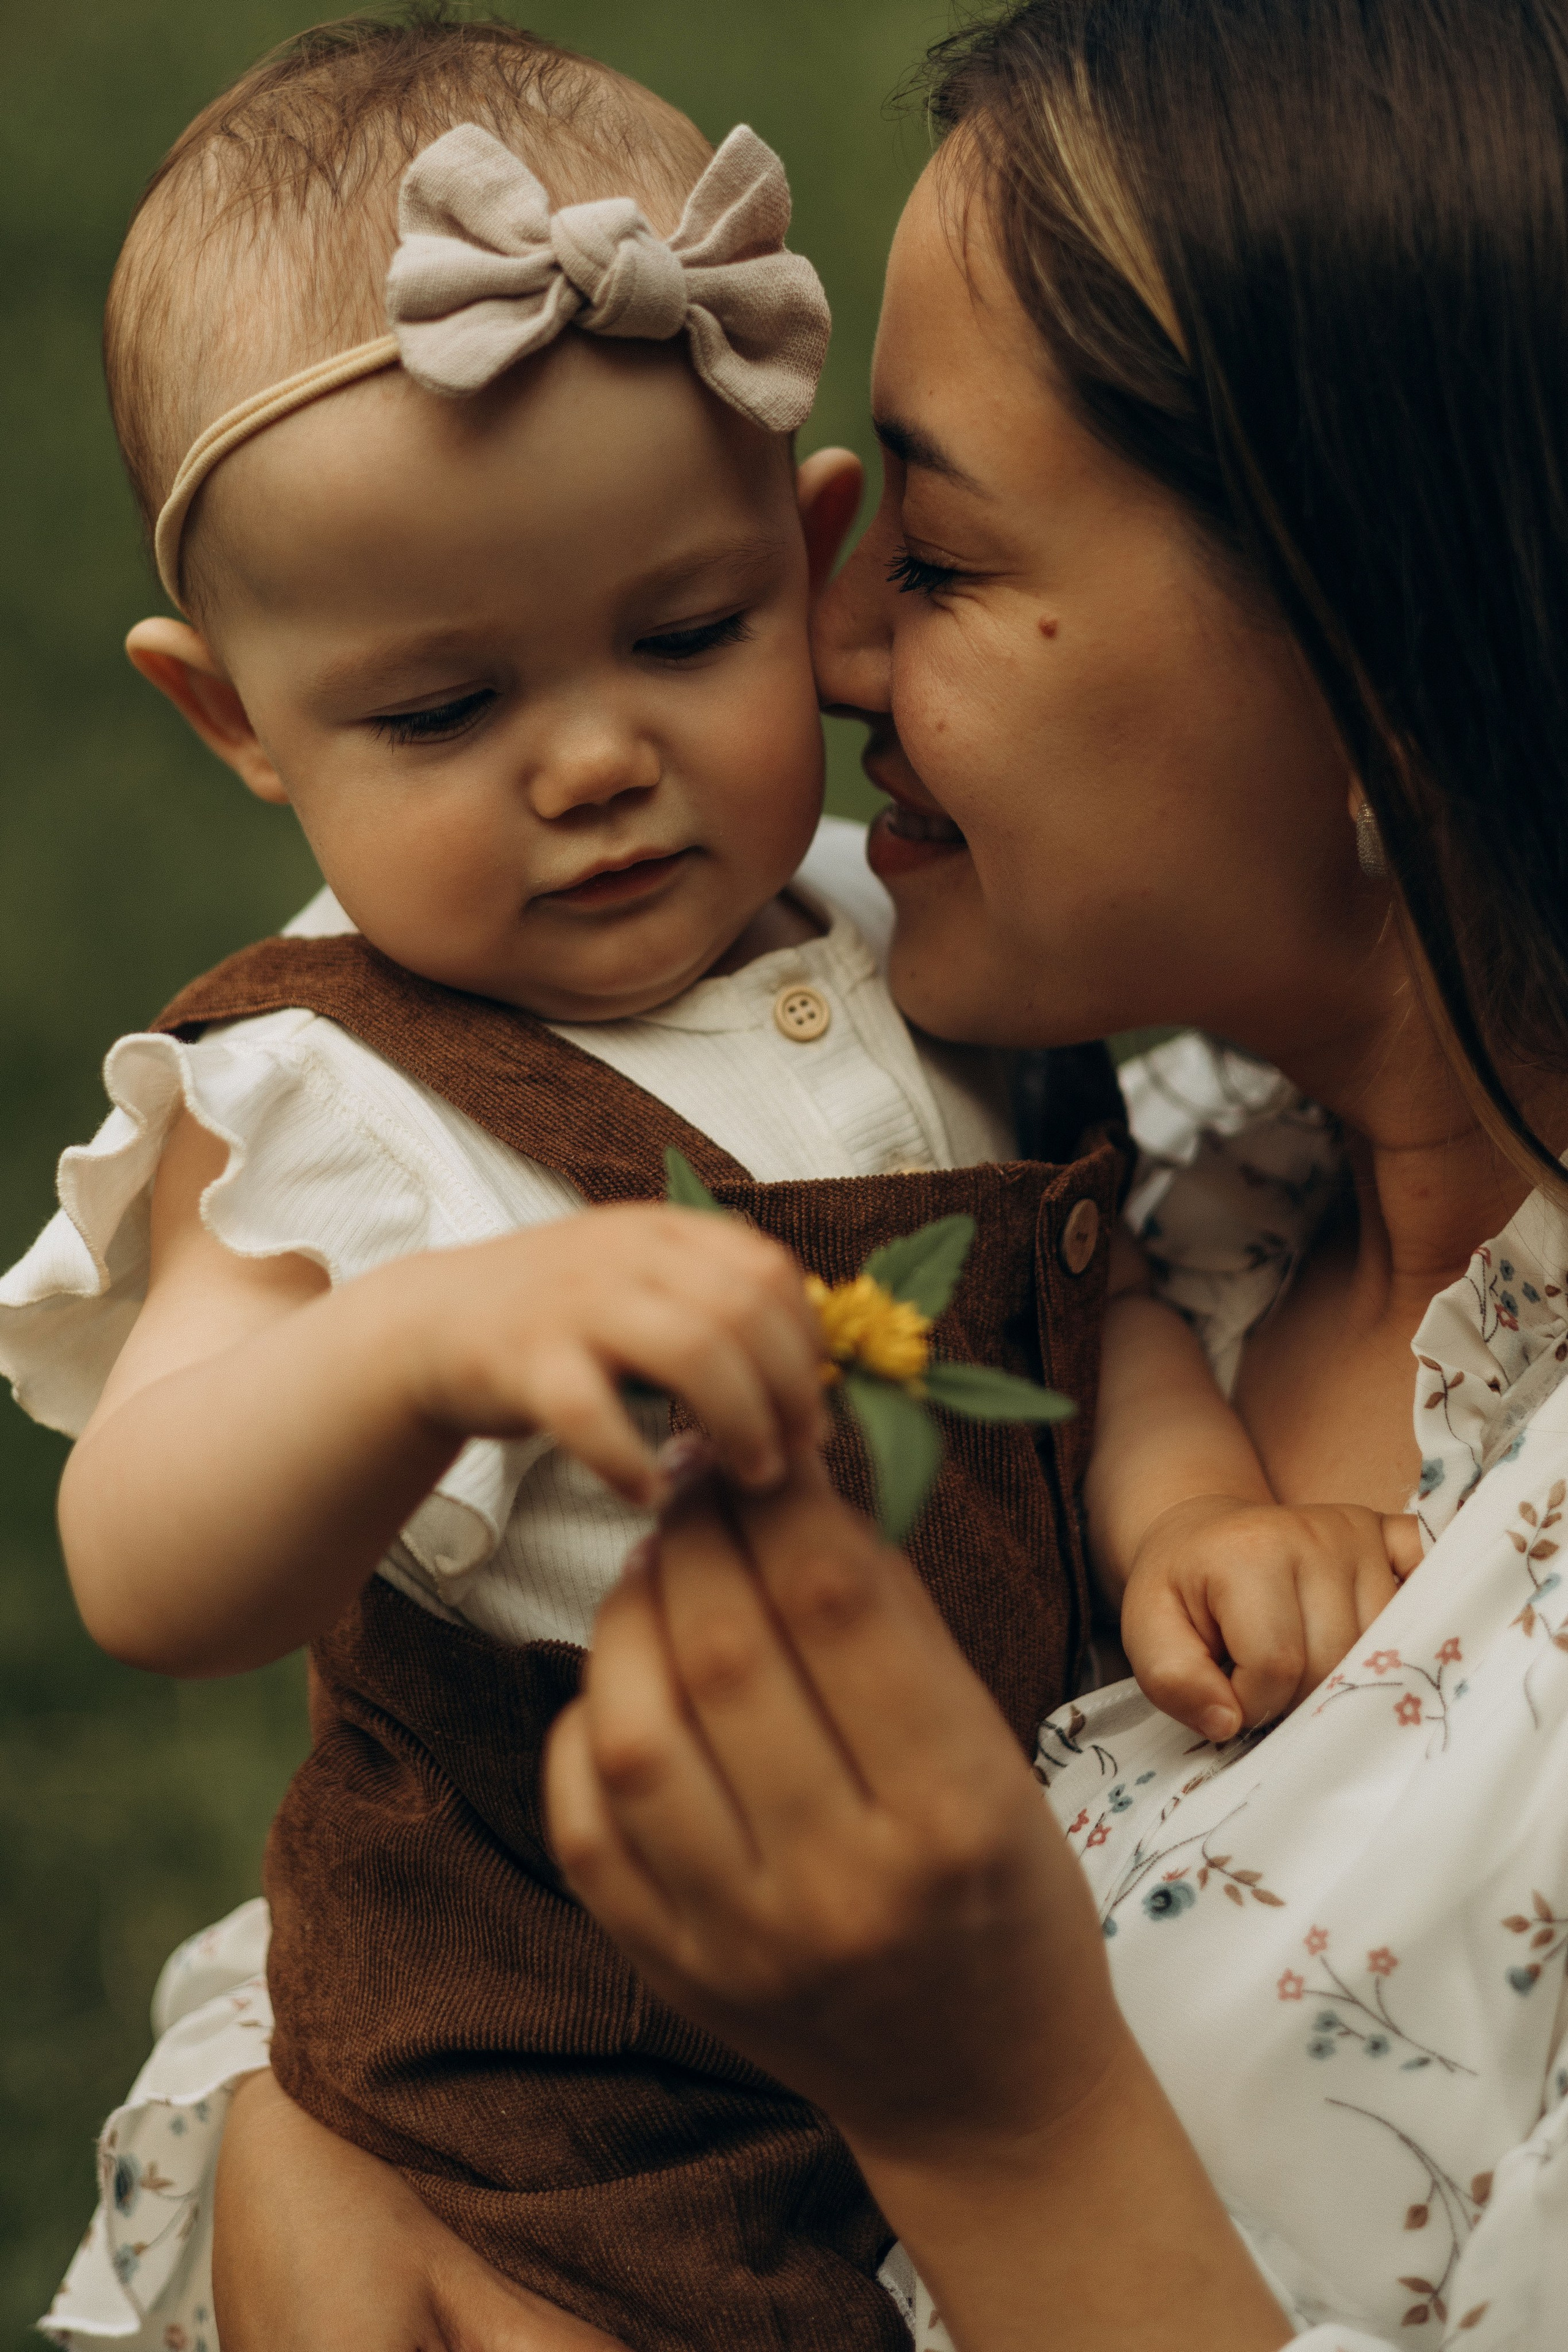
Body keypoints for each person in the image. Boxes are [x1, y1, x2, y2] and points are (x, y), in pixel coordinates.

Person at [167, 0, 1568, 2346]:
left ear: (1381, 681)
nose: (810, 655)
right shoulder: (1162, 1177)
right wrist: (293, 2152)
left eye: (933, 552)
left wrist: (1000, 2114)